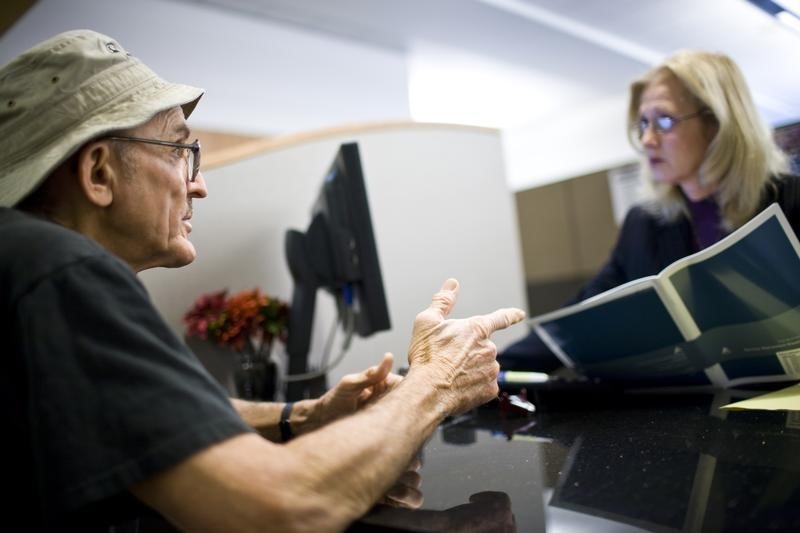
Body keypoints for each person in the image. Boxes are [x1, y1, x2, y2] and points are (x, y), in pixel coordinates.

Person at [0, 30, 526, 532]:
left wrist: (304, 416)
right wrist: (434, 383)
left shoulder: (26, 265)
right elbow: (283, 509)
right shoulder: (58, 269)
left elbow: (157, 413)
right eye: (181, 152)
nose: (199, 185)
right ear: (97, 174)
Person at [500, 49, 800, 373]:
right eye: (642, 124)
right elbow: (585, 314)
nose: (647, 139)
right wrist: (490, 368)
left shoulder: (790, 200)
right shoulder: (644, 224)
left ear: (718, 123)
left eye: (664, 121)